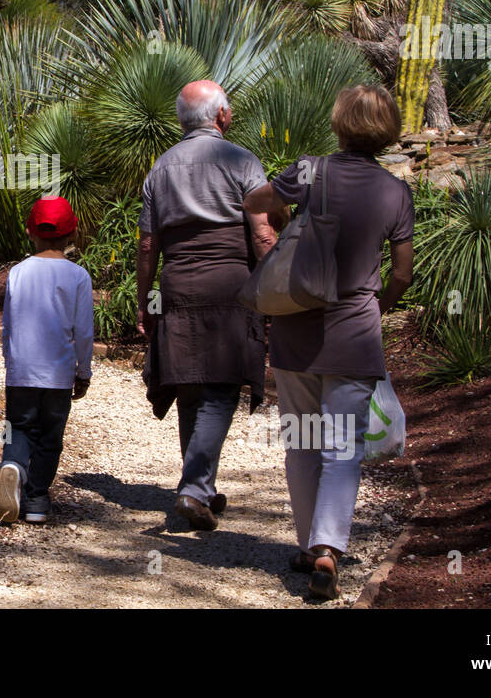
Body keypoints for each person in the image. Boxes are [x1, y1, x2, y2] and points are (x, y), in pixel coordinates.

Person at [242, 84, 414, 599]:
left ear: (339, 122)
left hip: (297, 331)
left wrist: (278, 214)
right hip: (355, 335)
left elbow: (255, 200)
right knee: (343, 449)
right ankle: (327, 549)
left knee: (302, 442)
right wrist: (376, 307)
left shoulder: (310, 172)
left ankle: (306, 546)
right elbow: (403, 272)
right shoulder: (395, 193)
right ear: (388, 132)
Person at [137, 80, 276, 532]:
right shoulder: (242, 161)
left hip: (177, 283)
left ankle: (200, 485)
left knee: (190, 384)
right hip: (230, 285)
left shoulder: (160, 168)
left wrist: (145, 299)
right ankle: (194, 488)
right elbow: (261, 234)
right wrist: (277, 288)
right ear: (219, 117)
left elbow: (147, 244)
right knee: (220, 388)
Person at [0, 196, 94, 525]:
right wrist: (84, 371)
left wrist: (10, 361)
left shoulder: (17, 273)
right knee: (50, 436)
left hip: (21, 370)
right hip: (58, 374)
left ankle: (12, 465)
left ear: (29, 232)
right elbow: (83, 331)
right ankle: (36, 498)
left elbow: (8, 324)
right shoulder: (78, 276)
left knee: (17, 427)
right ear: (72, 235)